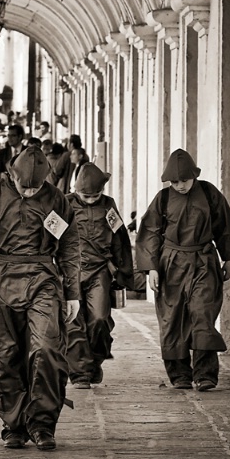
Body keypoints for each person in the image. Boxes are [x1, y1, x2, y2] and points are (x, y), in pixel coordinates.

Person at [0, 146, 81, 450]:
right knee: (7, 354)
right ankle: (13, 424)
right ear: (11, 176)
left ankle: (42, 424)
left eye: (36, 187)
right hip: (1, 276)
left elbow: (69, 244)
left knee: (47, 350)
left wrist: (73, 292)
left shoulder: (56, 199)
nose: (29, 192)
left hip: (43, 278)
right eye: (23, 186)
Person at [136, 149, 230, 392]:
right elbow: (149, 232)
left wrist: (229, 258)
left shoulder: (209, 193)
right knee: (173, 319)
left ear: (194, 176)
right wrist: (151, 268)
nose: (179, 185)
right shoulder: (162, 199)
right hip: (171, 264)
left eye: (183, 180)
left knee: (202, 314)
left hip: (203, 261)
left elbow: (225, 225)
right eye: (174, 182)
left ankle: (205, 375)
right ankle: (179, 374)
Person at [64, 163, 134, 388]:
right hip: (70, 272)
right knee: (74, 324)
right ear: (76, 191)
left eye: (96, 195)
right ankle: (79, 374)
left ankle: (95, 360)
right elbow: (49, 237)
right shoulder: (63, 204)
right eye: (87, 196)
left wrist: (123, 274)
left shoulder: (109, 206)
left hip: (99, 272)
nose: (92, 199)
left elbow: (120, 238)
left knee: (100, 319)